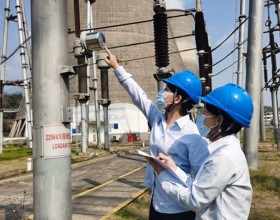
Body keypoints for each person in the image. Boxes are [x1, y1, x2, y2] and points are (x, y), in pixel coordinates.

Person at [104, 47, 209, 219]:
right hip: (157, 204)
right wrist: (117, 67)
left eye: (167, 89)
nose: (162, 93)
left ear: (178, 99)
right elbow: (138, 95)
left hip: (179, 210)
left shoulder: (192, 135)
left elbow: (202, 178)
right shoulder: (157, 119)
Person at [148, 83, 254, 220]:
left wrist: (162, 175)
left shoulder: (223, 158)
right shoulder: (222, 151)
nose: (200, 115)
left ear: (219, 119)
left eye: (205, 112)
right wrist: (174, 169)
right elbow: (198, 186)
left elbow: (194, 199)